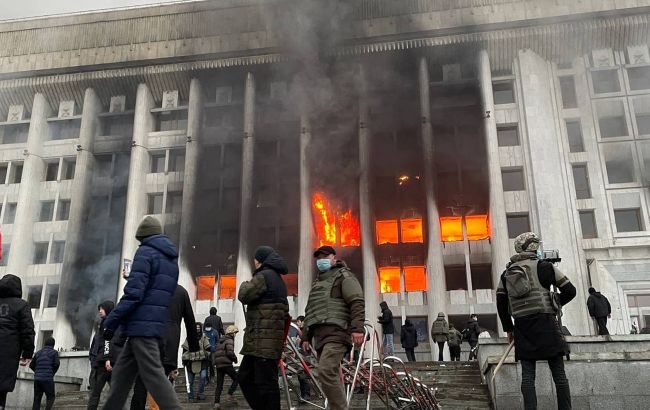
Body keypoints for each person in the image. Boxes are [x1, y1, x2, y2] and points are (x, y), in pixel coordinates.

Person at [100, 216, 182, 410]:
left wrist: (111, 321)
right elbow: (157, 291)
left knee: (154, 375)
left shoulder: (145, 252)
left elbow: (134, 294)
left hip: (142, 326)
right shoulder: (170, 259)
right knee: (121, 376)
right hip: (151, 325)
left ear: (142, 235)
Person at [496, 232, 576, 410]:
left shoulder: (506, 274)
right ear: (534, 247)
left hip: (522, 327)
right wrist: (555, 302)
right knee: (559, 375)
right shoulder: (545, 267)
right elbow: (570, 290)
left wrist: (509, 330)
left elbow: (501, 304)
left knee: (527, 376)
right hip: (547, 323)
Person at [302, 245, 365, 410]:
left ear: (334, 258)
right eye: (319, 257)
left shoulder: (344, 276)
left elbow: (356, 302)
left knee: (326, 370)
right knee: (330, 375)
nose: (321, 260)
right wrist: (305, 336)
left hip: (337, 332)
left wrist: (358, 328)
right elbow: (310, 310)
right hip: (320, 336)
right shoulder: (317, 283)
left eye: (325, 256)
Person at [129, 284, 199, 410]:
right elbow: (190, 320)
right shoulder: (181, 291)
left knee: (141, 384)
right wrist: (194, 346)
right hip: (169, 344)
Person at [237, 246, 290, 410]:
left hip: (263, 340)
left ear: (259, 260)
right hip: (262, 340)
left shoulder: (264, 276)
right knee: (246, 377)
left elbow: (244, 296)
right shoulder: (277, 278)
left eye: (255, 259)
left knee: (266, 383)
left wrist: (245, 284)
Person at [0, 274, 35, 410]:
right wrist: (27, 353)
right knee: (2, 386)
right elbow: (28, 330)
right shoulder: (22, 305)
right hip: (8, 352)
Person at [87, 301, 125, 410]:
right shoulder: (105, 323)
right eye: (99, 309)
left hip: (107, 363)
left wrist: (107, 359)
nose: (99, 311)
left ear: (108, 309)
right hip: (103, 362)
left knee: (96, 393)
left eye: (101, 309)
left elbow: (109, 341)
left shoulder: (110, 322)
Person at [182, 322, 211, 402]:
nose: (197, 329)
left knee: (203, 377)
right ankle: (191, 396)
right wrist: (184, 359)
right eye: (196, 327)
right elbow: (184, 350)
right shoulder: (189, 338)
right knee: (190, 381)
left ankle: (200, 393)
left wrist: (204, 355)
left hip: (202, 362)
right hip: (190, 363)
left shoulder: (204, 337)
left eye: (199, 327)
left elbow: (208, 349)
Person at [29, 337, 60, 410]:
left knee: (37, 399)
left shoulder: (38, 353)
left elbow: (31, 365)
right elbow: (56, 364)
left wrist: (37, 372)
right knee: (50, 397)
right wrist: (52, 373)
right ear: (53, 345)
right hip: (48, 379)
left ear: (44, 344)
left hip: (37, 379)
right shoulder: (54, 352)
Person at [213, 325, 239, 408]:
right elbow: (230, 352)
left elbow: (216, 353)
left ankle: (216, 403)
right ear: (231, 333)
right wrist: (235, 359)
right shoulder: (229, 340)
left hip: (219, 365)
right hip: (226, 364)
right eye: (235, 332)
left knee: (219, 385)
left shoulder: (221, 341)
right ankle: (230, 393)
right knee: (237, 378)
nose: (235, 334)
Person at [288, 316, 310, 401]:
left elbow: (296, 341)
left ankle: (305, 395)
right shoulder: (294, 328)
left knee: (302, 375)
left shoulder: (295, 329)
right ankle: (303, 395)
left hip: (301, 355)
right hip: (294, 355)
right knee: (300, 375)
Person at [204, 307, 224, 383]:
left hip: (207, 343)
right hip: (215, 341)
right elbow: (221, 328)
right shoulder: (218, 318)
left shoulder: (207, 319)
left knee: (206, 362)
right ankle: (212, 376)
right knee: (213, 361)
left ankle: (207, 378)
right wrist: (224, 335)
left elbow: (204, 329)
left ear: (210, 312)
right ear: (216, 312)